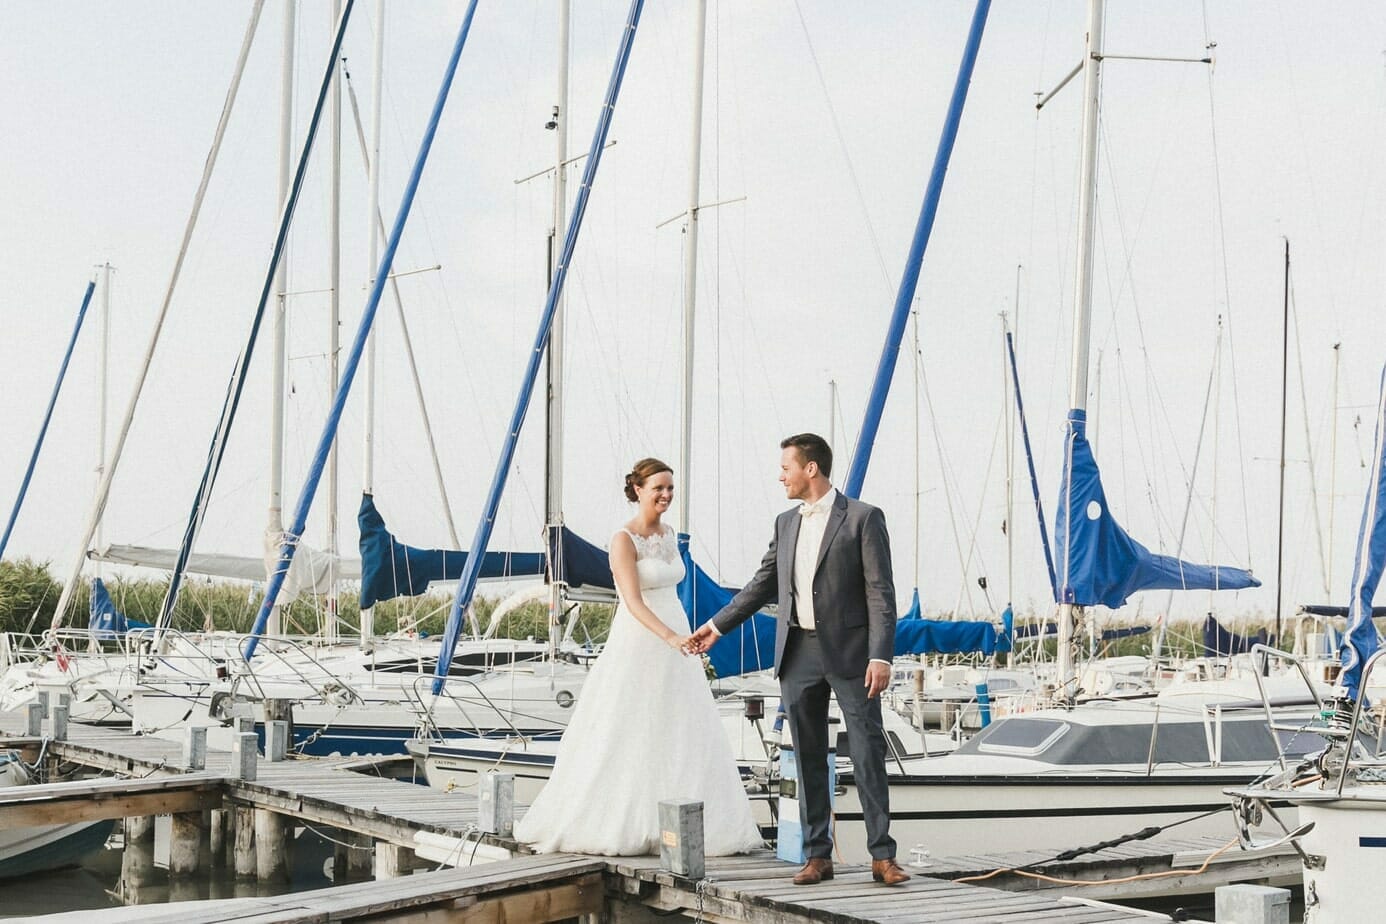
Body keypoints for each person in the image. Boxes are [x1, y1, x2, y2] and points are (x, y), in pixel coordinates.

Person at [687, 433, 908, 885]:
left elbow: (880, 593)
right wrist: (716, 625)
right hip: (797, 652)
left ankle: (882, 856)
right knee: (807, 757)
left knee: (867, 752)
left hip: (852, 655)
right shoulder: (785, 522)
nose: (780, 475)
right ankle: (817, 856)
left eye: (785, 467)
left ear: (811, 469)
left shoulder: (864, 518)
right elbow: (761, 583)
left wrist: (880, 655)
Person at [514, 458, 762, 856]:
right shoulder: (623, 540)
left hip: (677, 635)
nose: (665, 495)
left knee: (681, 725)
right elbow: (630, 600)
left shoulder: (670, 534)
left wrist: (686, 636)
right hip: (643, 637)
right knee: (630, 724)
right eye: (658, 488)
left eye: (670, 489)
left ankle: (682, 821)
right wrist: (669, 637)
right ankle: (626, 821)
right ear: (638, 490)